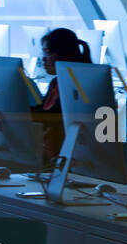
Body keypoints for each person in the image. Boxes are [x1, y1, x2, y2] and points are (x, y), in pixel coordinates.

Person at [32, 27, 92, 159]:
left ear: (66, 54)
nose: (44, 59)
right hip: (51, 148)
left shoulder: (79, 85)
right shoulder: (56, 83)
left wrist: (14, 114)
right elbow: (42, 110)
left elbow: (53, 115)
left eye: (47, 53)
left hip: (68, 151)